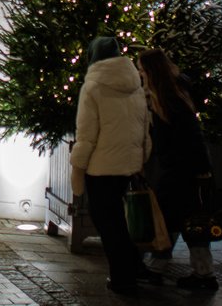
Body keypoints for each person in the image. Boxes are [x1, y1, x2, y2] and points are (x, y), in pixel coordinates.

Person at [71, 36, 161, 295]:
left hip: (101, 167)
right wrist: (141, 158)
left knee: (108, 224)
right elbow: (144, 127)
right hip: (128, 166)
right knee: (118, 222)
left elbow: (86, 135)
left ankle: (123, 278)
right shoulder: (134, 84)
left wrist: (78, 168)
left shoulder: (93, 87)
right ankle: (135, 267)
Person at [137, 48, 218, 291]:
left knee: (181, 221)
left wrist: (201, 171)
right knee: (179, 221)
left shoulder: (170, 99)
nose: (140, 75)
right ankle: (199, 272)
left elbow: (191, 137)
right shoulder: (170, 95)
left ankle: (184, 272)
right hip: (181, 169)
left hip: (183, 171)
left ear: (152, 71)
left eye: (142, 70)